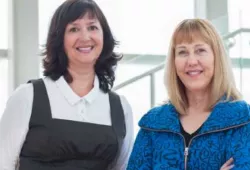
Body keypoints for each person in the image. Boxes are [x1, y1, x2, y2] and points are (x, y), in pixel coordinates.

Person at [0, 0, 134, 169]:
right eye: (74, 29)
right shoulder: (27, 97)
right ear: (59, 40)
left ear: (104, 37)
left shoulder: (121, 108)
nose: (85, 37)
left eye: (92, 27)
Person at [127, 19, 250, 170]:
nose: (191, 61)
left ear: (216, 57)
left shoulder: (243, 120)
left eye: (200, 50)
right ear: (174, 61)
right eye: (182, 52)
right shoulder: (153, 124)